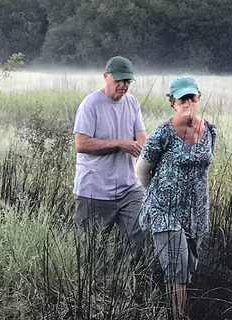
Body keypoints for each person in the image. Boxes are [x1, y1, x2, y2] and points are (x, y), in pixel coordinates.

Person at [135, 76, 216, 318]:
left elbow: (205, 164)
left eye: (192, 97)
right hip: (165, 211)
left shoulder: (210, 130)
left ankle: (172, 307)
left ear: (198, 98)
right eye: (182, 99)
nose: (188, 103)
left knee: (188, 269)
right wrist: (160, 194)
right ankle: (177, 316)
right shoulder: (163, 133)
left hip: (196, 212)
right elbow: (141, 170)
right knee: (177, 271)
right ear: (173, 103)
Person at [72, 56, 147, 252]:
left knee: (140, 239)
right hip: (94, 190)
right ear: (106, 77)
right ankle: (98, 282)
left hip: (129, 188)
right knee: (90, 250)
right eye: (119, 80)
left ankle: (128, 279)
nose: (123, 86)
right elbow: (81, 144)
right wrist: (119, 144)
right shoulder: (90, 104)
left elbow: (142, 138)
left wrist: (142, 149)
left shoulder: (132, 103)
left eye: (128, 81)